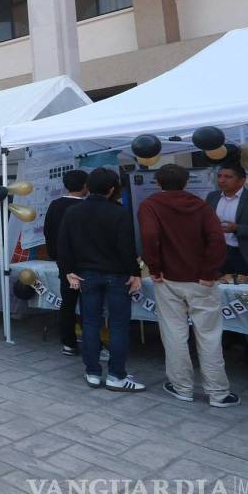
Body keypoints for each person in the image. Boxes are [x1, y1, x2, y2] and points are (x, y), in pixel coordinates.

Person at [139, 164, 238, 408]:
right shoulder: (201, 205)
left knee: (174, 333)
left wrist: (154, 268)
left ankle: (182, 387)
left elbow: (149, 237)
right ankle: (218, 392)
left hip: (168, 279)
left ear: (158, 183)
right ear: (186, 182)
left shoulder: (150, 205)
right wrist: (209, 272)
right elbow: (217, 239)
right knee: (210, 335)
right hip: (201, 281)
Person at [58, 167, 144, 392]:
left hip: (87, 275)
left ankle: (92, 372)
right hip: (117, 276)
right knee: (118, 325)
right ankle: (116, 374)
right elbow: (127, 248)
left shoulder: (74, 212)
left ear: (89, 186)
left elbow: (63, 246)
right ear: (112, 189)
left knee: (89, 323)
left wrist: (68, 270)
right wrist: (135, 272)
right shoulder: (119, 212)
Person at [44, 169, 89, 356]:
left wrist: (55, 255)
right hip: (86, 263)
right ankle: (93, 343)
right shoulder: (86, 208)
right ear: (86, 185)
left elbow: (48, 232)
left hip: (63, 263)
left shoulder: (55, 205)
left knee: (68, 303)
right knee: (89, 305)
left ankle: (68, 343)